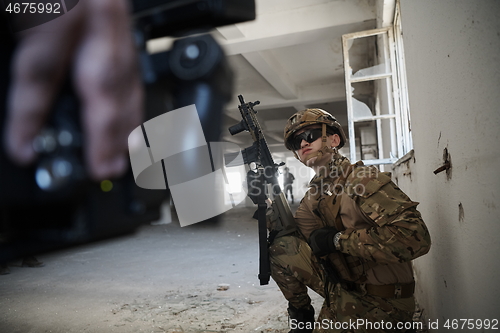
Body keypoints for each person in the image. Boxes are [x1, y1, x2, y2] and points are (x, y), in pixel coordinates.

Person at [268, 108, 431, 333]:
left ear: (334, 139)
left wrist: (337, 241)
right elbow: (297, 243)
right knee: (281, 246)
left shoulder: (362, 180)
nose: (303, 143)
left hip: (383, 302)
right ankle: (302, 319)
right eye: (296, 141)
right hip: (342, 289)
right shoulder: (314, 196)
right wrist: (268, 204)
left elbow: (416, 238)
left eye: (311, 135)